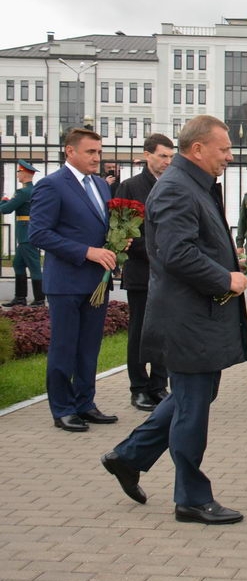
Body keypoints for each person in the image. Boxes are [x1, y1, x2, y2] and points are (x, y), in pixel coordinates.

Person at [99, 115, 247, 524]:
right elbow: (176, 253)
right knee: (191, 409)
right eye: (224, 149)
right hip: (186, 319)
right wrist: (225, 278)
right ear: (197, 149)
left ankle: (128, 457)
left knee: (193, 398)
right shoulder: (176, 189)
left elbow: (195, 244)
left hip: (197, 317)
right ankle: (191, 499)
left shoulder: (194, 184)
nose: (230, 156)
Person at [28, 127, 118, 433]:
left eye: (99, 152)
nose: (97, 157)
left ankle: (84, 403)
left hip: (97, 282)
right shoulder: (52, 185)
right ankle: (63, 409)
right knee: (65, 347)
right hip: (66, 282)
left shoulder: (101, 185)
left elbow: (100, 227)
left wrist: (118, 242)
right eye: (90, 152)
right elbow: (39, 233)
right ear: (70, 151)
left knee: (89, 348)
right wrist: (86, 251)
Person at [114, 134, 175, 412]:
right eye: (162, 156)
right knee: (139, 331)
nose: (167, 162)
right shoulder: (130, 187)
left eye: (171, 157)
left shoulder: (174, 186)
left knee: (164, 331)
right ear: (147, 155)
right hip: (142, 271)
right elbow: (123, 232)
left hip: (170, 273)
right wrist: (157, 252)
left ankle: (159, 385)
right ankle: (138, 388)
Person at [1, 159, 44, 307]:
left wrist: (3, 201)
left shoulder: (23, 192)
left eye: (19, 172)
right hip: (28, 231)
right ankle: (20, 298)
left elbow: (6, 209)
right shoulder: (33, 190)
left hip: (26, 234)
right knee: (18, 264)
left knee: (34, 266)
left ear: (25, 173)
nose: (17, 174)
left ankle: (39, 299)